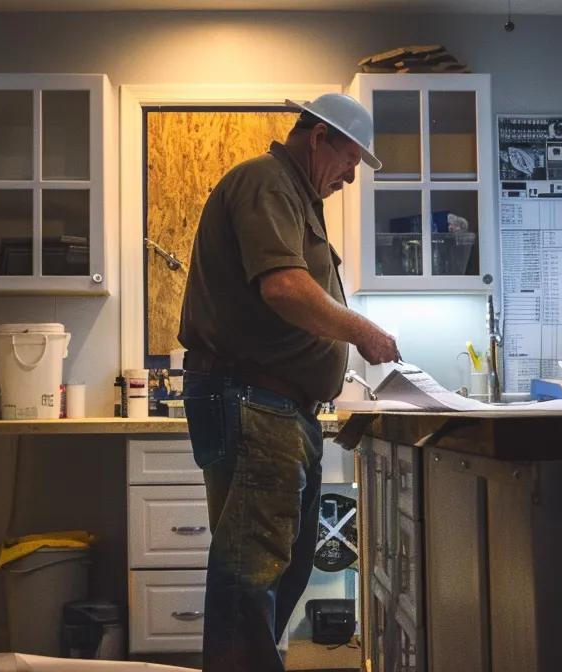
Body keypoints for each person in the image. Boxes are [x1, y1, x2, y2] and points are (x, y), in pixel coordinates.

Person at [177, 93, 402, 671]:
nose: (351, 178)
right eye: (350, 161)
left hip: (276, 405)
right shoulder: (267, 181)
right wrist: (362, 332)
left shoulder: (296, 197)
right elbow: (284, 288)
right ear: (318, 137)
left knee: (282, 564)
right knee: (252, 567)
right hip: (254, 400)